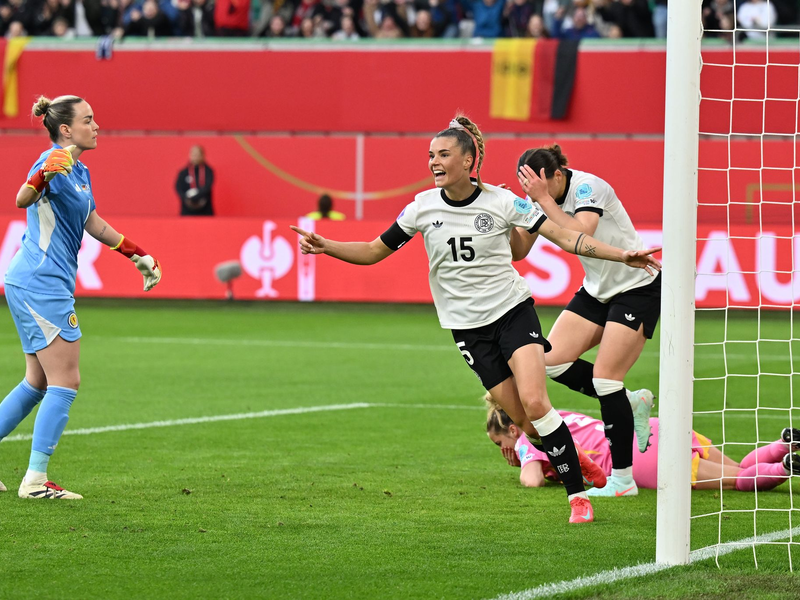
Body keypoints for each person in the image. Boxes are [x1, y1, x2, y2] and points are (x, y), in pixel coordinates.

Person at [291, 115, 661, 523]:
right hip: (467, 328)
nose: (434, 161)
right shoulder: (421, 208)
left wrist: (620, 254)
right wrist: (327, 246)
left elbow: (567, 237)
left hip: (513, 313)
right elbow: (374, 250)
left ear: (468, 161)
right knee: (524, 421)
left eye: (443, 154)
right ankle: (589, 470)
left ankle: (578, 497)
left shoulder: (502, 202)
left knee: (537, 401)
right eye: (430, 155)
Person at [0, 95, 162, 499]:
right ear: (66, 129)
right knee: (66, 380)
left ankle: (34, 478)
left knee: (37, 381)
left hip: (34, 282)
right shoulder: (52, 161)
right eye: (89, 120)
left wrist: (135, 252)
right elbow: (22, 198)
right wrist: (41, 176)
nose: (97, 125)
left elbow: (91, 220)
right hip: (43, 284)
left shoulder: (80, 170)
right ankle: (35, 481)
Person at [512, 145, 660, 499]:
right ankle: (631, 401)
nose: (533, 192)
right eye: (527, 186)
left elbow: (583, 233)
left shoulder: (587, 187)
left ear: (558, 175)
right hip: (596, 290)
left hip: (636, 285)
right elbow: (519, 250)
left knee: (605, 379)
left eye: (538, 185)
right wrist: (507, 214)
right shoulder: (538, 200)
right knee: (550, 360)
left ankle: (623, 481)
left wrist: (542, 201)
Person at [486, 398, 800, 492]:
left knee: (734, 482)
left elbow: (532, 481)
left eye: (500, 443)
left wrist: (522, 459)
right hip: (651, 428)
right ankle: (785, 446)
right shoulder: (555, 414)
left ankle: (786, 468)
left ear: (513, 429)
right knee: (740, 467)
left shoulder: (530, 437)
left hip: (640, 458)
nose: (503, 451)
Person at [175, 145, 214, 216]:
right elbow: (178, 187)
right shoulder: (184, 172)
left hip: (205, 210)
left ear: (202, 155)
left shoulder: (208, 171)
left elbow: (208, 186)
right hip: (187, 210)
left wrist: (197, 194)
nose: (195, 157)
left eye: (197, 154)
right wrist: (187, 196)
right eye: (193, 154)